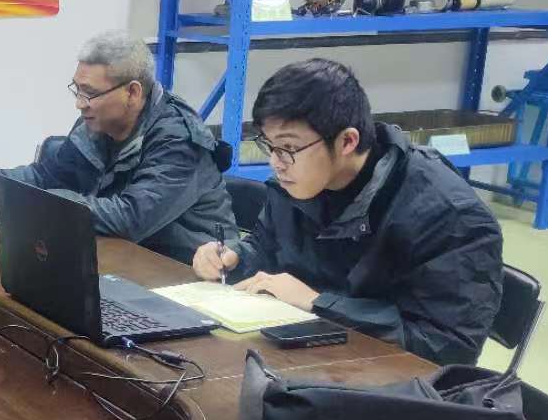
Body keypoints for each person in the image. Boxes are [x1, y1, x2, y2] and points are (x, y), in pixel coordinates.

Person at [191, 58, 503, 365]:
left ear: (347, 141)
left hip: (389, 380)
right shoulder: (299, 184)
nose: (276, 162)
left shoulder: (448, 216)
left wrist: (317, 303)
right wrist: (235, 258)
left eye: (288, 148)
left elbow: (447, 347)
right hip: (310, 355)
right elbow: (267, 247)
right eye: (269, 146)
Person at [0, 31, 234, 264]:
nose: (79, 103)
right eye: (77, 89)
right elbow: (49, 176)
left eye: (90, 93)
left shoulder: (178, 140)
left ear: (133, 92)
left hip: (185, 273)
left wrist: (46, 203)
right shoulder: (96, 123)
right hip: (120, 259)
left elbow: (131, 218)